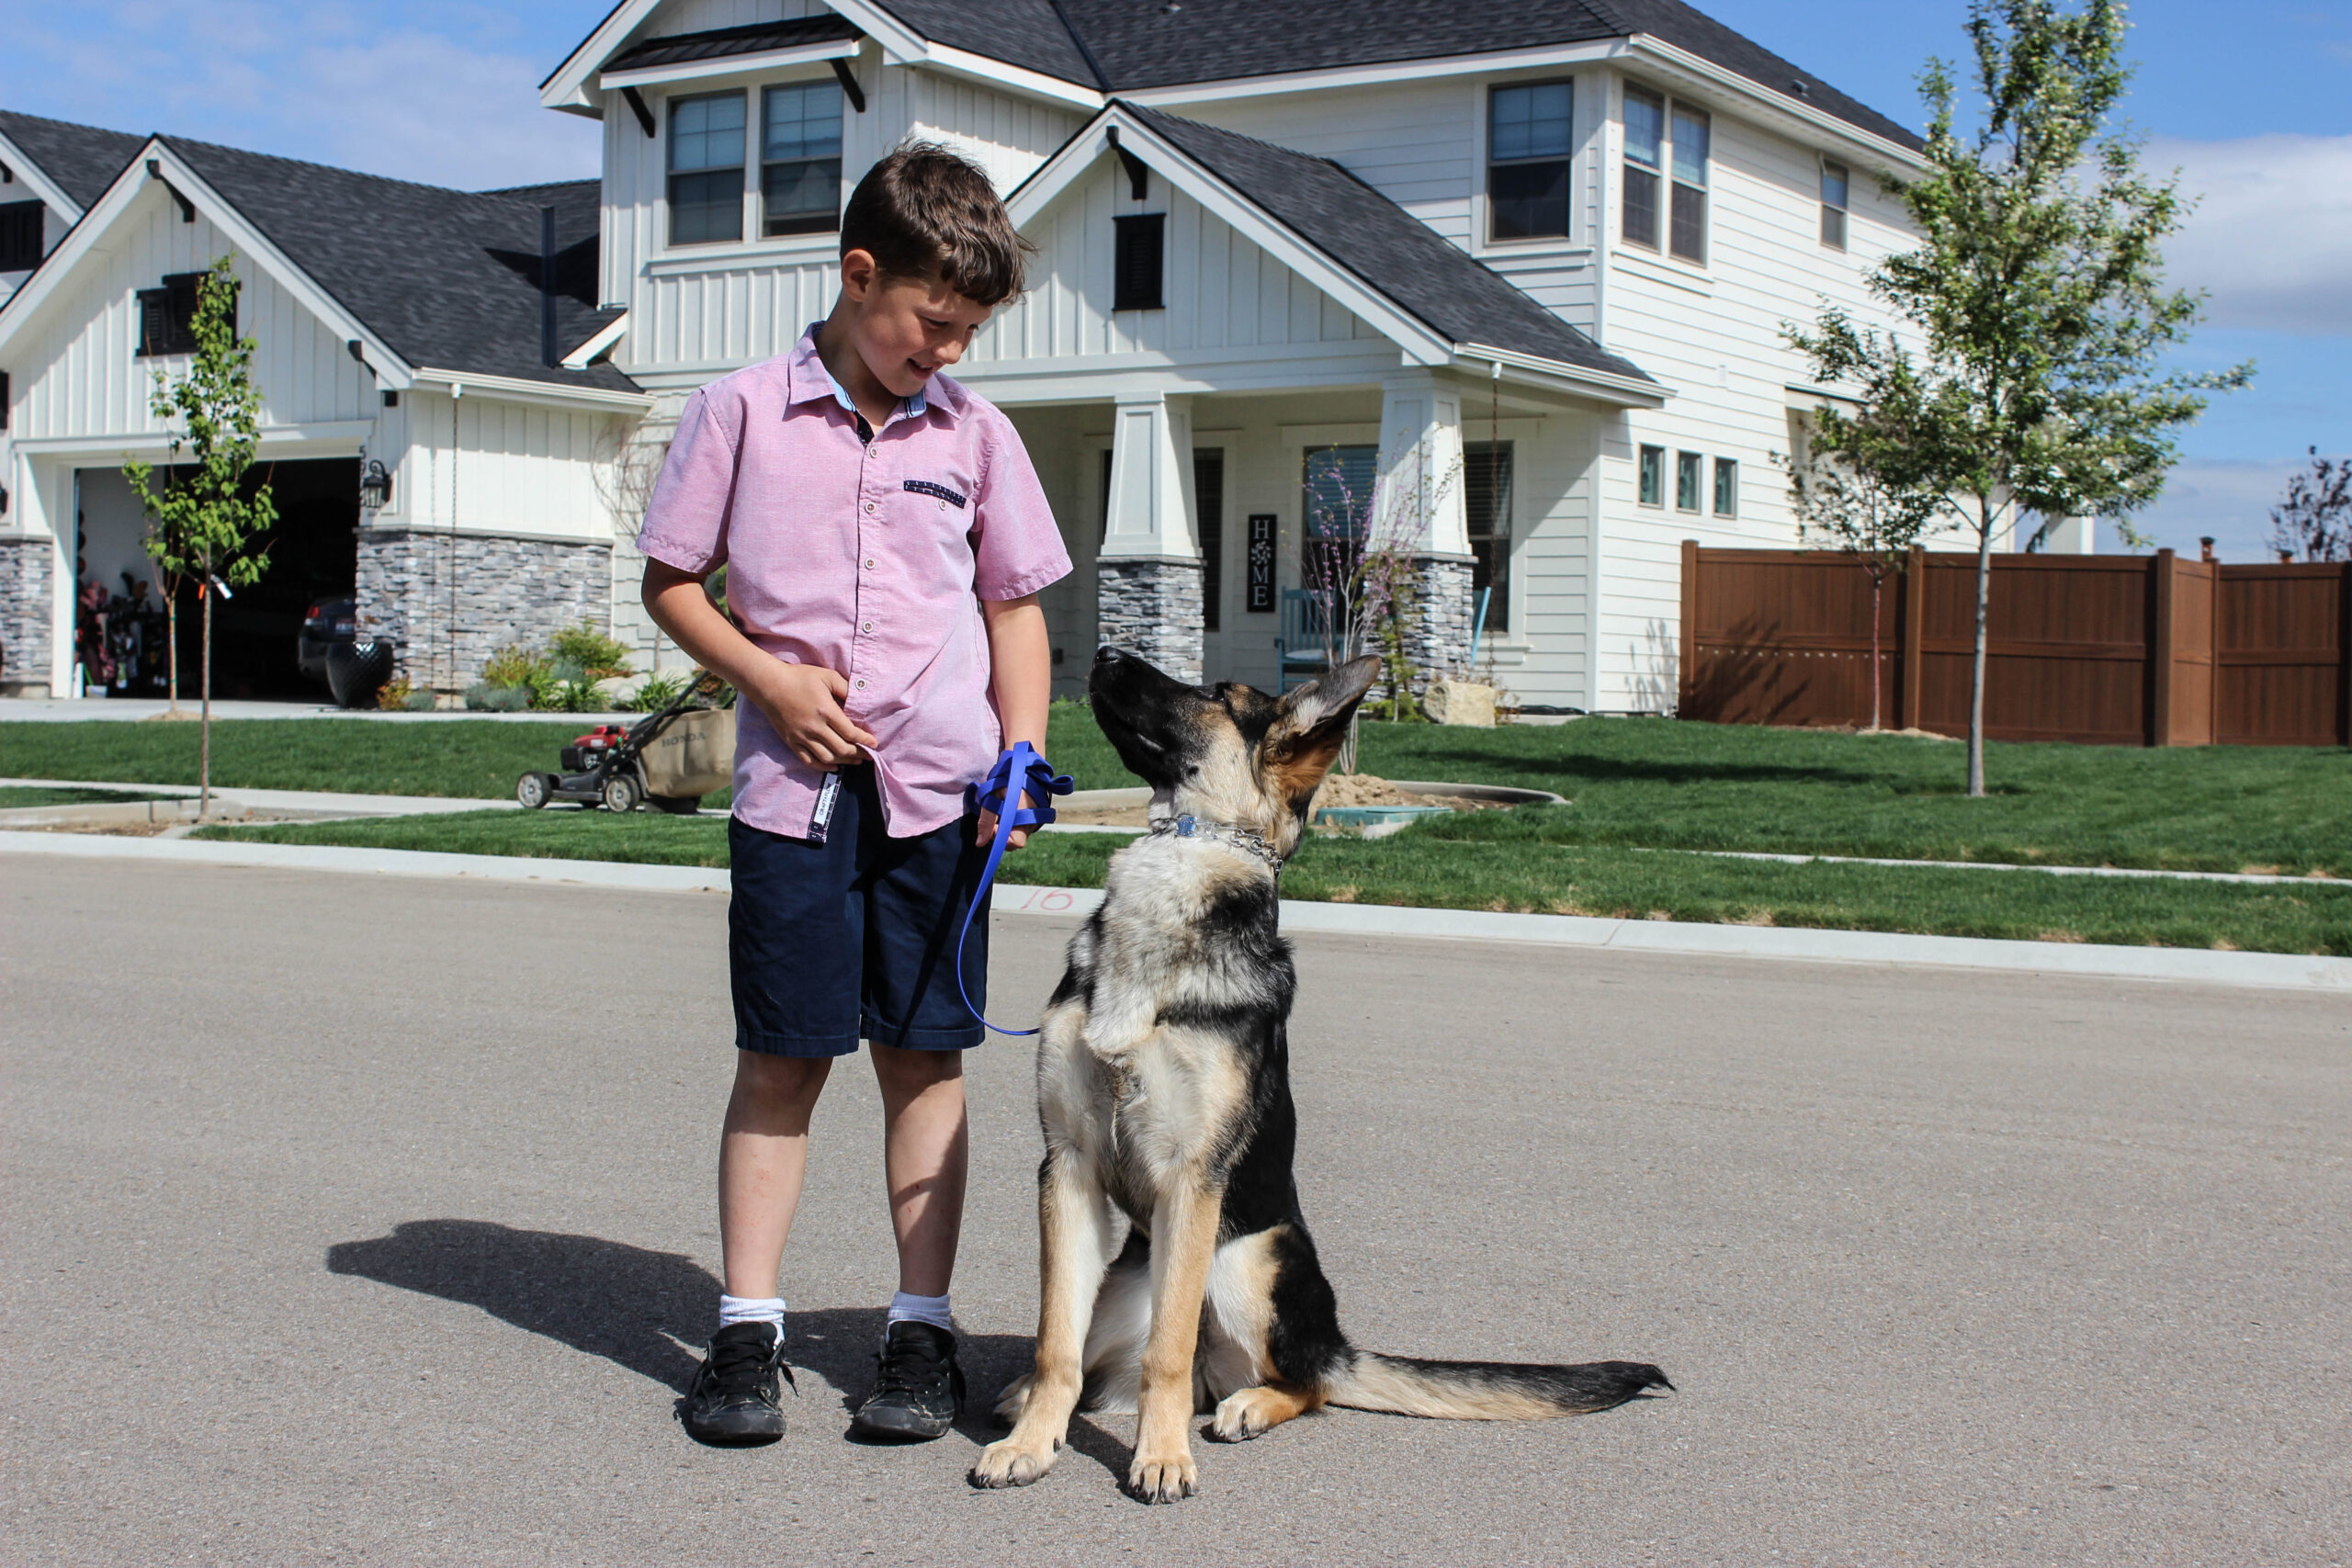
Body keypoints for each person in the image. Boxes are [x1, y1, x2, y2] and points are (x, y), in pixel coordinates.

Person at [638, 142, 1070, 1448]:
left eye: (966, 333)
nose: (944, 352)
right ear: (859, 273)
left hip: (943, 796)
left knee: (924, 1061)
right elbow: (671, 584)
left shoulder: (978, 437)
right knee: (781, 1061)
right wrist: (769, 680)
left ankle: (922, 1329)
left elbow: (1014, 609)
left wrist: (1021, 750)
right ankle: (746, 1329)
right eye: (930, 323)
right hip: (796, 800)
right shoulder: (741, 413)